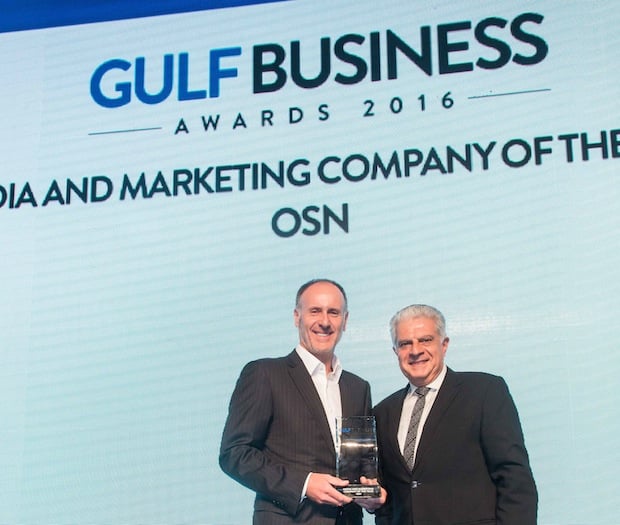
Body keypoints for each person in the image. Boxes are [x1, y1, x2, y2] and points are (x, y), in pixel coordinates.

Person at [219, 279, 385, 524]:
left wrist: (371, 491)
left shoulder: (357, 387)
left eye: (333, 312)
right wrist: (304, 484)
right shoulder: (265, 374)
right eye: (315, 311)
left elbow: (360, 463)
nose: (325, 322)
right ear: (297, 317)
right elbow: (234, 454)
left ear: (345, 320)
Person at [373, 304, 537, 525]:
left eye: (425, 340)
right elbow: (388, 497)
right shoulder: (382, 412)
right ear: (395, 351)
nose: (415, 350)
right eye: (405, 344)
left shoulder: (485, 392)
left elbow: (514, 478)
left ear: (444, 344)